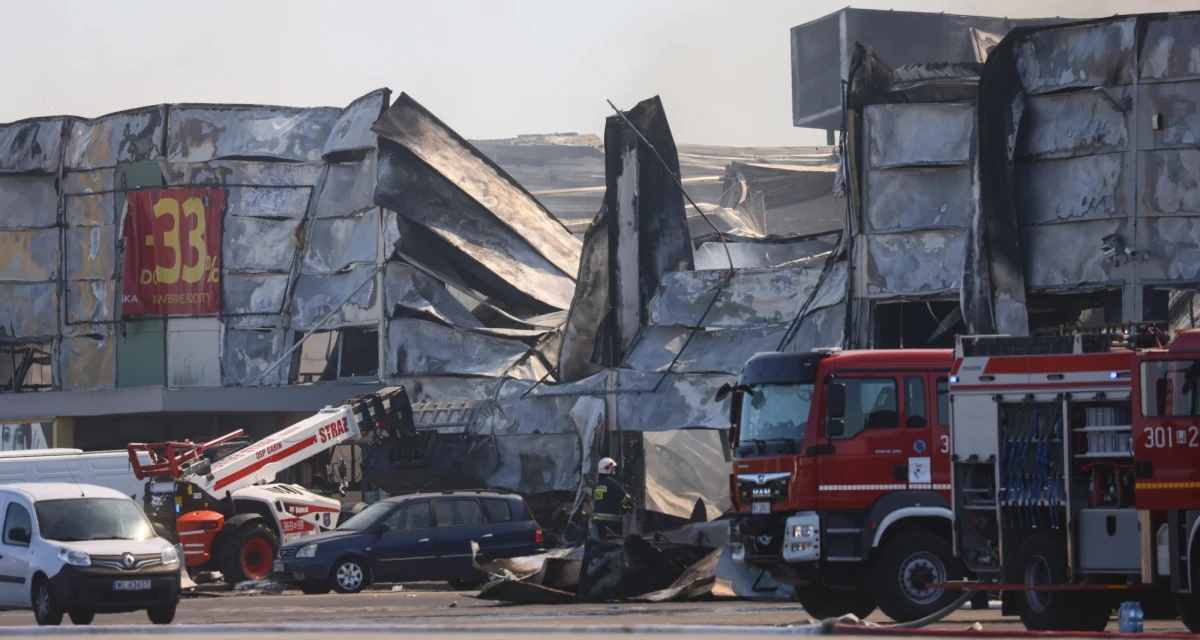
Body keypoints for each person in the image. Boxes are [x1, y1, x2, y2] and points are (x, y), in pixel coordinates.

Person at [591, 457, 632, 538]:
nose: (614, 472)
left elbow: (609, 501)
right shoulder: (611, 482)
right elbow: (624, 498)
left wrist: (623, 507)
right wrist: (630, 504)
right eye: (613, 469)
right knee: (614, 544)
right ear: (607, 469)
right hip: (610, 522)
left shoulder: (598, 485)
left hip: (598, 521)